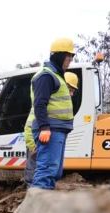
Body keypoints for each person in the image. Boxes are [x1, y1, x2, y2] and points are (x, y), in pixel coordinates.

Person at [30, 38, 76, 190]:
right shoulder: (46, 76)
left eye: (71, 57)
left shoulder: (56, 76)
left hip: (57, 129)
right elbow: (39, 104)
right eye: (68, 57)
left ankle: (42, 206)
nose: (69, 61)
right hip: (50, 130)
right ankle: (36, 208)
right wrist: (44, 127)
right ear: (59, 55)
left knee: (54, 171)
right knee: (47, 170)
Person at [24, 71, 79, 185]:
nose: (72, 94)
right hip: (36, 146)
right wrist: (34, 146)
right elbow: (29, 127)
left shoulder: (54, 107)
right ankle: (35, 200)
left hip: (38, 144)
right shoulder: (43, 109)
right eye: (71, 90)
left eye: (73, 91)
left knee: (46, 174)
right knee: (38, 175)